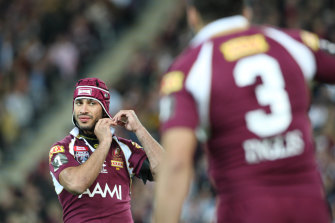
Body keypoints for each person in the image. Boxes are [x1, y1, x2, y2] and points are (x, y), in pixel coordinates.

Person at [154, 0, 335, 222]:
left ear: (193, 16)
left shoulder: (187, 69)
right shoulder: (291, 41)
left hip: (246, 208)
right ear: (246, 10)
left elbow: (177, 163)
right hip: (309, 203)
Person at [48, 77, 163, 223]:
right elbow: (77, 184)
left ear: (104, 109)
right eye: (79, 103)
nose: (83, 110)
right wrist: (105, 143)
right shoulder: (62, 148)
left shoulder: (124, 148)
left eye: (91, 103)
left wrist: (139, 129)